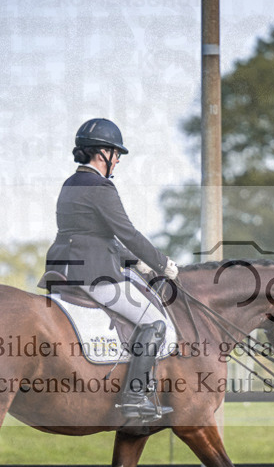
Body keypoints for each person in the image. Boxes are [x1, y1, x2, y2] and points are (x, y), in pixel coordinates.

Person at [40, 118, 178, 422]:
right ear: (101, 152)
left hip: (63, 268)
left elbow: (94, 234)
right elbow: (126, 231)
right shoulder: (101, 186)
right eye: (116, 153)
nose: (117, 160)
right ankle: (135, 396)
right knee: (154, 320)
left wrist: (134, 261)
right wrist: (161, 263)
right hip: (93, 273)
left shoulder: (70, 183)